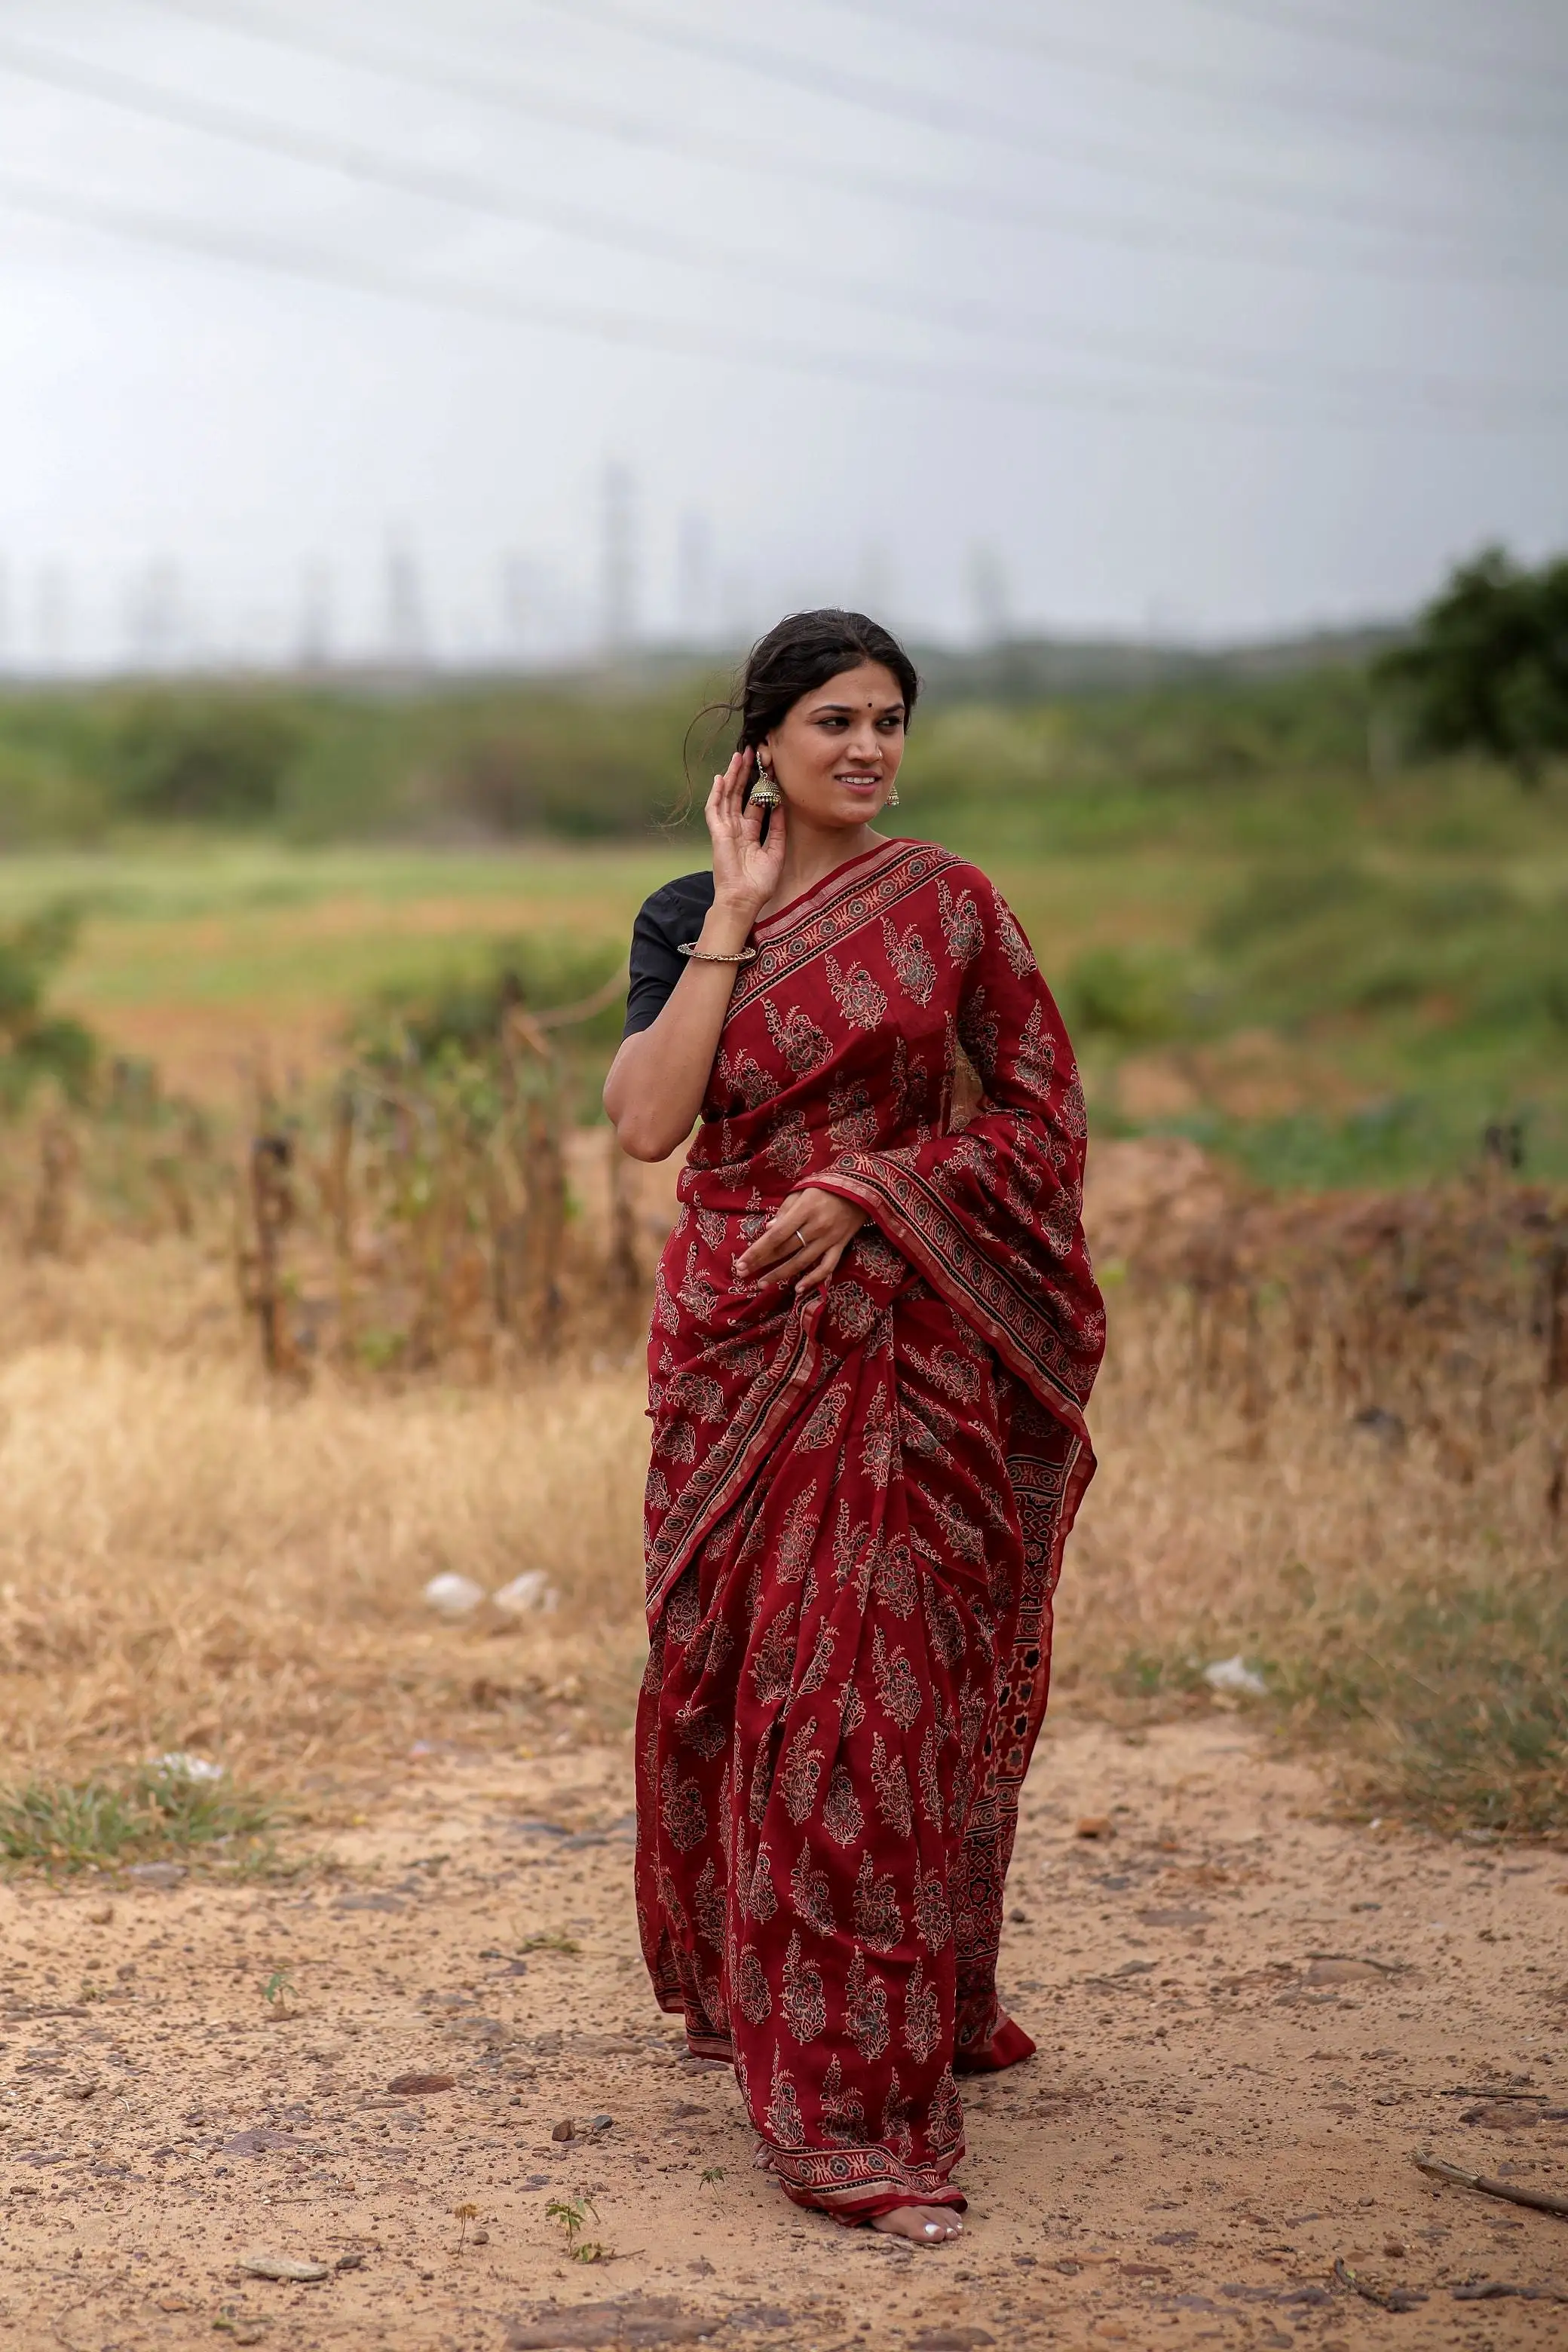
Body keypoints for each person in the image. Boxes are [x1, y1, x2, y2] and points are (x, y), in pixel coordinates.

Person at [603, 610, 1104, 2243]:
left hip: (898, 1350)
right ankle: (753, 1993)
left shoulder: (953, 912)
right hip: (731, 1345)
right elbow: (648, 1125)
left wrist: (875, 1184)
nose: (870, 747)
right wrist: (735, 917)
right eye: (834, 719)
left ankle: (855, 2104)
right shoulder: (690, 915)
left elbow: (1039, 1122)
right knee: (715, 1682)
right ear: (764, 747)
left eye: (890, 717)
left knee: (857, 1713)